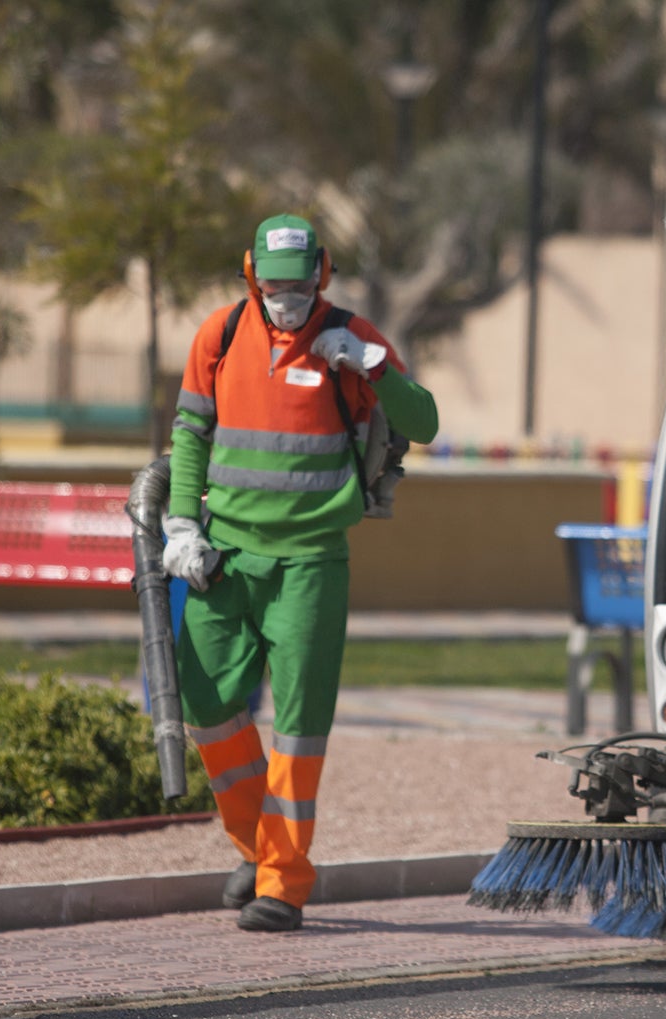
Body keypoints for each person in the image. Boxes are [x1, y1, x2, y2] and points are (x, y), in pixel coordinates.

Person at [161, 214, 439, 932]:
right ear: (252, 274)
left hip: (312, 561)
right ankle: (257, 847)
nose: (288, 296)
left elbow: (426, 420)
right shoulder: (218, 336)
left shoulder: (355, 336)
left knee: (297, 727)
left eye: (301, 281)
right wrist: (182, 524)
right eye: (274, 283)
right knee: (205, 705)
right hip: (223, 557)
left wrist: (369, 366)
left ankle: (283, 881)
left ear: (323, 269)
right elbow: (189, 437)